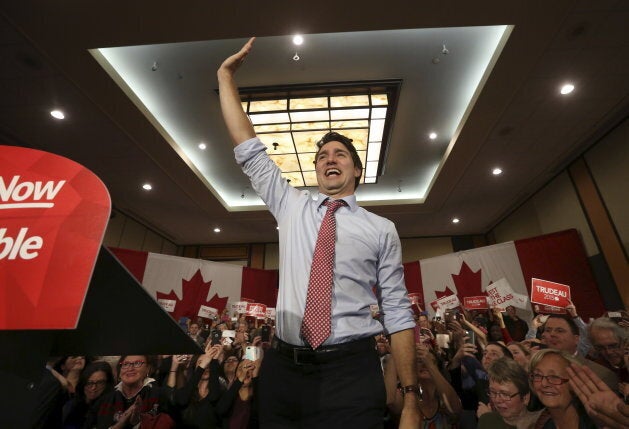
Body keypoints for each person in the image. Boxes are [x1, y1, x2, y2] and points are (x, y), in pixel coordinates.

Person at [217, 37, 419, 428]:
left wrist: (410, 396)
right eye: (323, 155)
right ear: (316, 170)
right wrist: (225, 77)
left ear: (356, 170)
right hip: (284, 370)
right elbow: (249, 148)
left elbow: (396, 311)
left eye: (340, 154)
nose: (330, 159)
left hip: (352, 371)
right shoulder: (290, 206)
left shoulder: (382, 229)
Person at [84, 355, 175, 429]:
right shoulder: (105, 399)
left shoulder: (159, 395)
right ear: (119, 372)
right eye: (125, 364)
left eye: (137, 363)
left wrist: (138, 422)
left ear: (148, 369)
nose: (130, 368)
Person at [528, 349, 596, 429]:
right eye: (538, 375)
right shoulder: (543, 425)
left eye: (554, 377)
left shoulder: (596, 421)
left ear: (575, 382)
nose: (544, 384)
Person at [477, 357, 542, 429]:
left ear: (525, 398)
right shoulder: (486, 421)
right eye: (493, 392)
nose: (497, 400)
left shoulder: (542, 424)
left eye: (505, 394)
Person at [62, 361, 114, 429]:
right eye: (89, 383)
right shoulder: (71, 405)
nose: (93, 388)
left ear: (107, 384)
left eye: (100, 383)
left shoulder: (108, 407)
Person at [587, 317, 628, 384]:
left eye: (613, 345)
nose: (608, 352)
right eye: (600, 347)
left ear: (625, 341)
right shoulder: (598, 367)